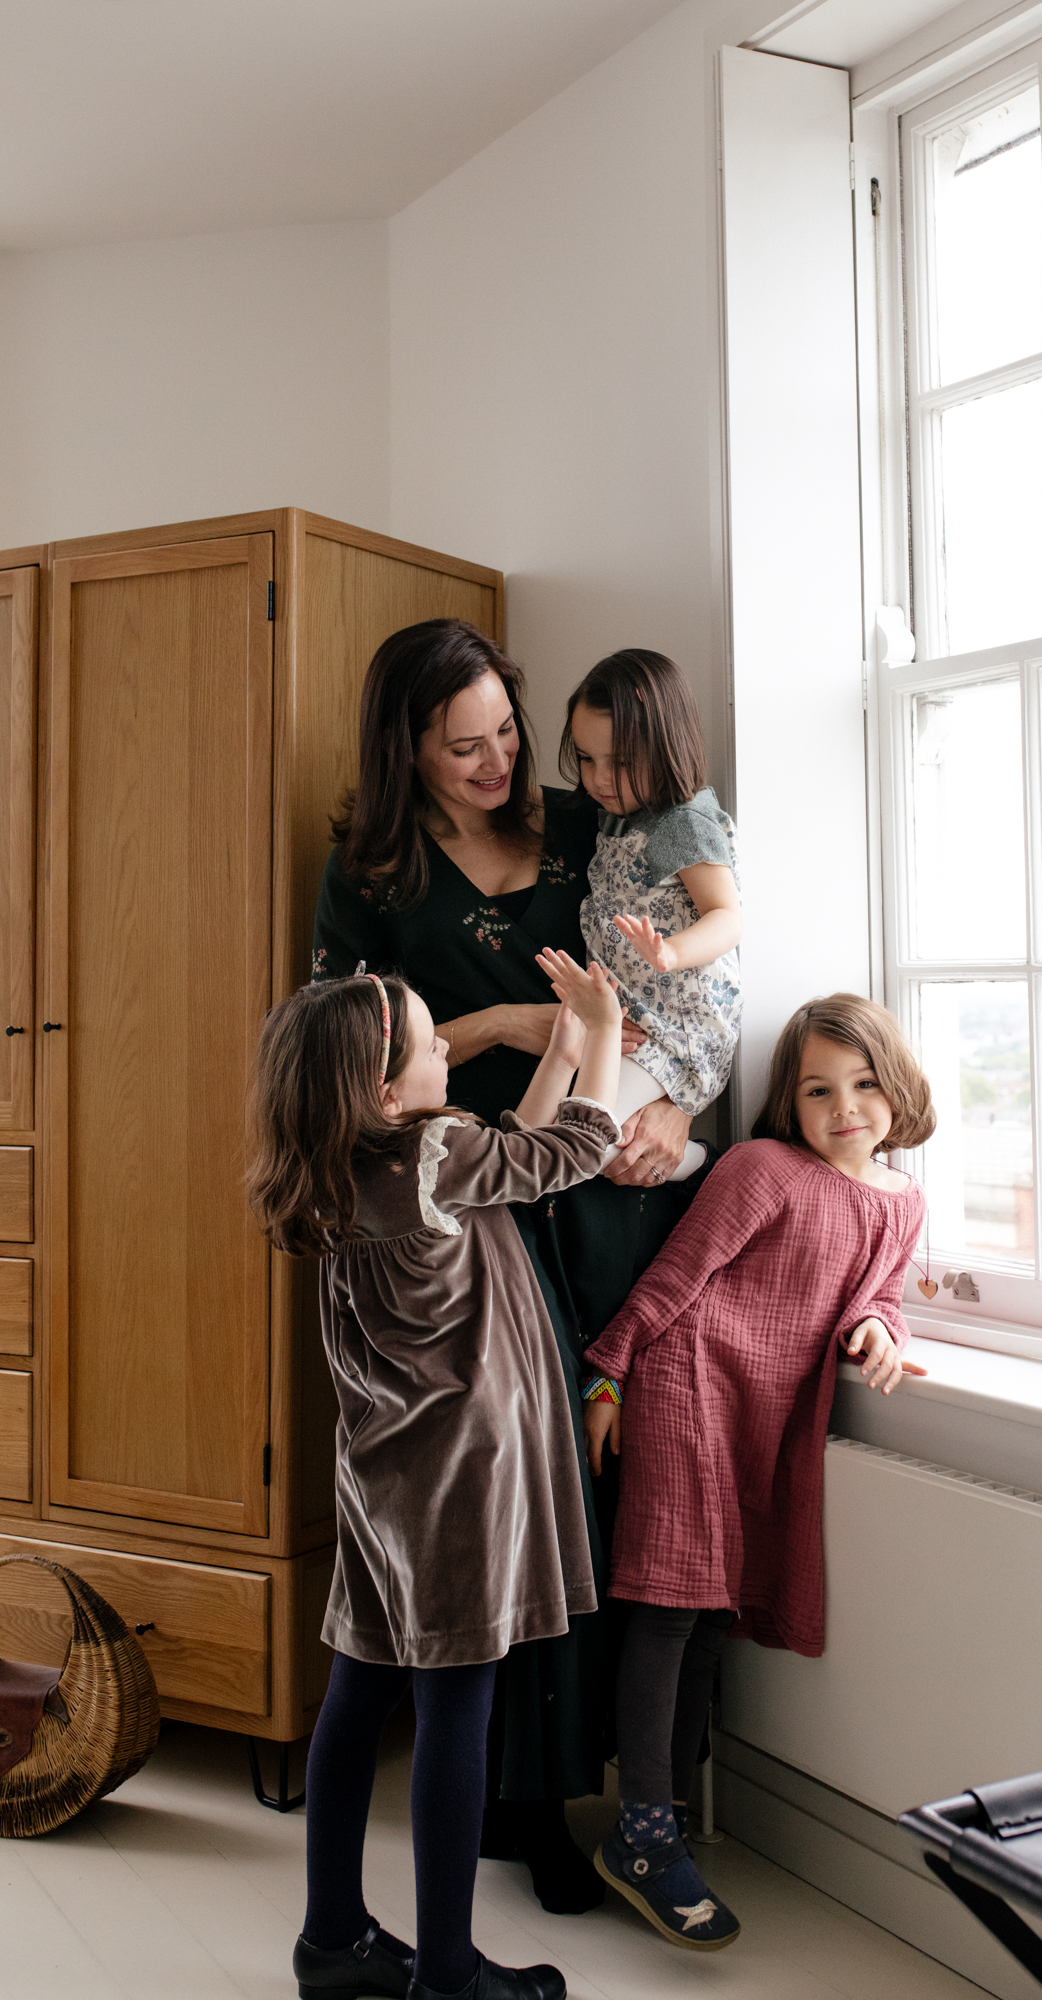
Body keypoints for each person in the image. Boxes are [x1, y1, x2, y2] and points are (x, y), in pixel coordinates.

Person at [309, 620, 717, 1913]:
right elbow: (337, 1062)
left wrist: (682, 1111)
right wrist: (493, 1025)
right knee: (502, 1502)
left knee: (612, 1497)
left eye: (505, 733)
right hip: (466, 1222)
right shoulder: (370, 871)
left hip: (610, 1194)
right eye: (463, 744)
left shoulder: (593, 815)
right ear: (407, 750)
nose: (498, 763)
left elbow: (686, 983)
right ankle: (516, 1807)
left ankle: (629, 1795)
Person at [249, 951, 624, 2000]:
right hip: (464, 1474)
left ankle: (331, 1937)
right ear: (382, 1088)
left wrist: (551, 1056)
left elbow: (513, 1153)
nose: (448, 1051)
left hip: (382, 1471)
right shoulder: (433, 1148)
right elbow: (574, 1151)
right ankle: (449, 1973)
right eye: (432, 1045)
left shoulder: (340, 1162)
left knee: (358, 1695)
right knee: (457, 1709)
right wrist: (598, 1029)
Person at [578, 994, 936, 1951]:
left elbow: (881, 1295)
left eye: (863, 1084)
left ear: (898, 1089)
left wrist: (876, 1330)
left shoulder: (902, 1198)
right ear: (789, 1100)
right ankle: (644, 1834)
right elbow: (674, 1276)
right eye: (818, 1089)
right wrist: (608, 1375)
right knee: (667, 1608)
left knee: (709, 1621)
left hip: (768, 1417)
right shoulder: (762, 1167)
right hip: (688, 1384)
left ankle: (663, 1812)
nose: (844, 1107)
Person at [558, 649, 741, 1182]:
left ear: (665, 746)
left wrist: (672, 951)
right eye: (587, 759)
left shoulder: (682, 823)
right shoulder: (617, 818)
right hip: (631, 1021)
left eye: (619, 762)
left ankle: (706, 1164)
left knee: (584, 1140)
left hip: (677, 1027)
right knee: (583, 1140)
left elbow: (727, 916)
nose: (598, 779)